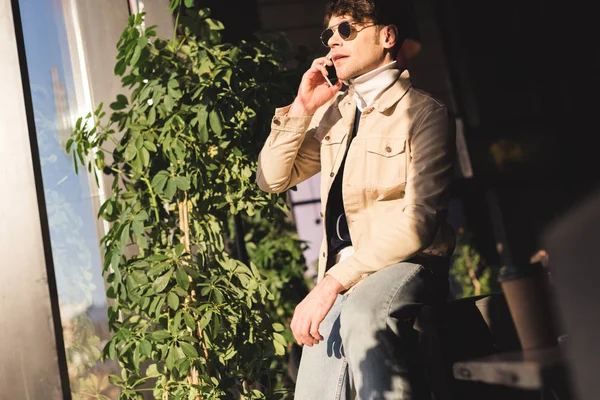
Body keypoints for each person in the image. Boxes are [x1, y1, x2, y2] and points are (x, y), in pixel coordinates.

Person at [256, 0, 456, 398]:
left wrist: (330, 284)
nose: (333, 41)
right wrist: (302, 108)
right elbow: (271, 178)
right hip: (343, 278)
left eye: (346, 29)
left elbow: (418, 224)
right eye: (328, 33)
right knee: (312, 388)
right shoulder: (337, 114)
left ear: (387, 36)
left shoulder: (424, 114)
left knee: (364, 314)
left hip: (406, 265)